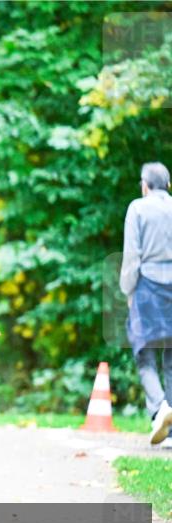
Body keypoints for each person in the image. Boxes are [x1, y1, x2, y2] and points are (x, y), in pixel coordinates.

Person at [120, 161, 172, 446]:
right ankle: (171, 431)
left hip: (149, 287)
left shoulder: (138, 208)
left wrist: (128, 290)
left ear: (145, 185)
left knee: (144, 352)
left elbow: (132, 256)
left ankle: (159, 407)